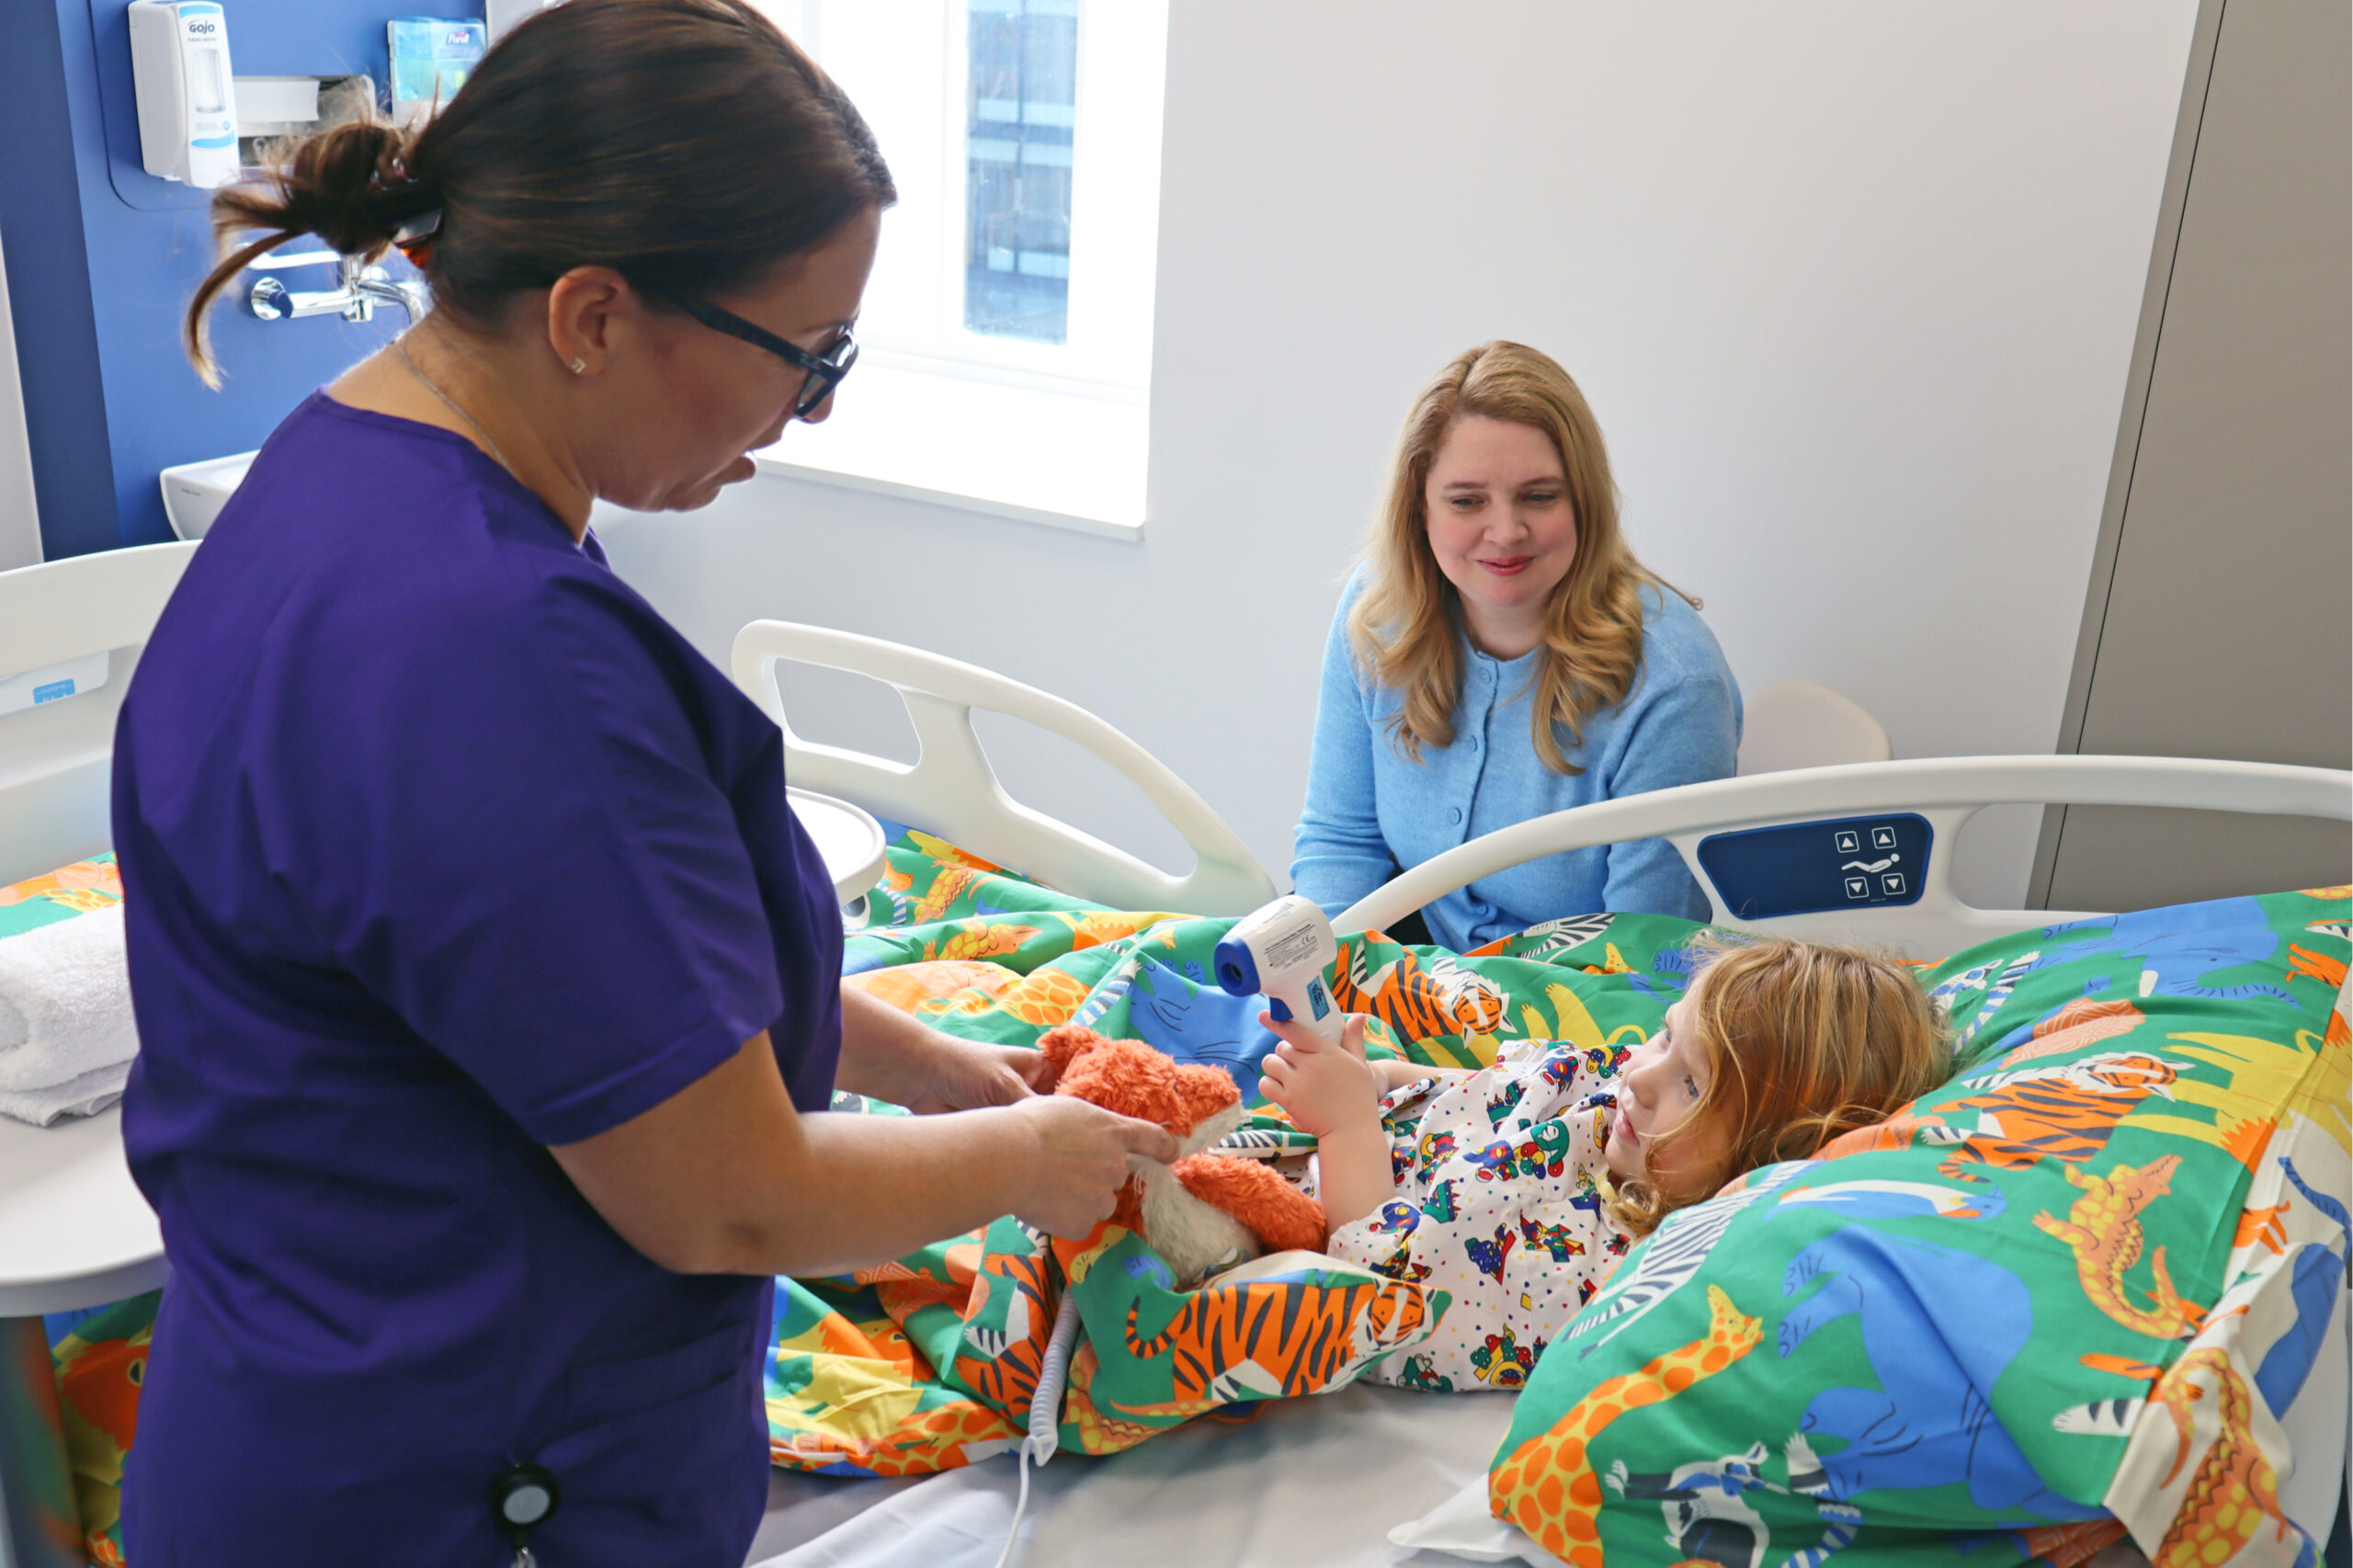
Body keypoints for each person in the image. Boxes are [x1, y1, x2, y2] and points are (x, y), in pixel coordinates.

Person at [117, 5, 1176, 1563]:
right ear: (594, 316)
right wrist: (1035, 1165)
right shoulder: (493, 651)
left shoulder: (346, 478)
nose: (813, 411)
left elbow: (598, 979)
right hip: (460, 1490)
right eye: (806, 359)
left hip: (288, 1415)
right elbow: (729, 1198)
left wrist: (940, 1069)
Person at [1256, 939, 1949, 1391]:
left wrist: (1346, 1125)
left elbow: (1376, 1289)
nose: (1643, 1076)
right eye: (1664, 1034)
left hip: (1308, 1223)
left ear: (1769, 1156)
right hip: (1316, 1136)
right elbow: (1495, 1086)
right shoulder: (1626, 1103)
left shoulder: (1610, 1265)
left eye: (1695, 1086)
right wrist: (1377, 1078)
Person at [1291, 342, 1744, 949]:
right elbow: (1340, 847)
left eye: (1539, 496)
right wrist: (1332, 994)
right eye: (1466, 501)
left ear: (1584, 501)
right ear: (1418, 510)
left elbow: (1645, 958)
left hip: (1574, 1008)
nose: (1505, 532)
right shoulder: (1378, 612)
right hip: (1406, 972)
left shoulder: (1673, 688)